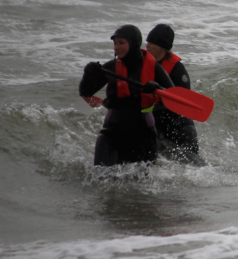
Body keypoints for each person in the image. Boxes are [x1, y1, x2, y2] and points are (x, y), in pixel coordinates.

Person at [79, 24, 174, 166]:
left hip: (144, 136)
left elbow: (172, 98)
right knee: (101, 178)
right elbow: (85, 92)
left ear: (133, 43)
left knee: (142, 184)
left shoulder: (154, 67)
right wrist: (88, 75)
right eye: (115, 43)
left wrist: (157, 87)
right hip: (111, 134)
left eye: (121, 43)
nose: (116, 47)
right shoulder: (111, 67)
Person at [145, 23, 202, 162]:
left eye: (152, 43)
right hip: (157, 126)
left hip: (180, 129)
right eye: (147, 42)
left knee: (192, 166)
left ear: (162, 47)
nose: (147, 46)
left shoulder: (177, 70)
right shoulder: (144, 63)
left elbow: (182, 105)